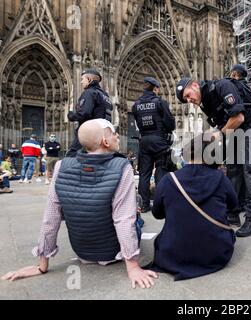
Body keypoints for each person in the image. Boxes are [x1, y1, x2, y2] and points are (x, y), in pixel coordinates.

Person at [1, 119, 158, 289]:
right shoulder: (122, 166)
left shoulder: (61, 165)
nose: (118, 135)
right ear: (105, 142)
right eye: (114, 133)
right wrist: (133, 267)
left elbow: (51, 216)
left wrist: (42, 265)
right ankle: (139, 218)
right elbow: (123, 219)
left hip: (82, 252)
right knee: (134, 219)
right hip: (113, 253)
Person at [176, 75, 251, 237]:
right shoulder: (206, 102)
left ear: (195, 85)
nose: (189, 100)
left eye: (188, 95)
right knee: (233, 170)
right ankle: (233, 213)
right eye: (185, 99)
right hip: (234, 131)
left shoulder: (222, 86)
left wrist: (217, 134)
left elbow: (238, 117)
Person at [150, 133, 236, 281]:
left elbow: (157, 214)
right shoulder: (221, 178)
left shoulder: (169, 180)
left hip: (173, 254)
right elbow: (234, 206)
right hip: (216, 253)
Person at [226, 64, 251, 230]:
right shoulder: (246, 90)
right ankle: (235, 213)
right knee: (237, 171)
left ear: (234, 74)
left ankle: (250, 219)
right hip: (243, 130)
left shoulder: (234, 87)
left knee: (248, 172)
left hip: (249, 129)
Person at [132, 76, 176, 213]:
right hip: (159, 140)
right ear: (155, 88)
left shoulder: (136, 105)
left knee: (144, 174)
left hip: (144, 141)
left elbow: (138, 123)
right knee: (161, 171)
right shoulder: (160, 102)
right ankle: (160, 205)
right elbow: (170, 123)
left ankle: (144, 205)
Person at [66, 69, 113, 157]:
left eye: (82, 79)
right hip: (103, 134)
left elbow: (84, 113)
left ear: (89, 79)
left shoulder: (89, 93)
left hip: (89, 133)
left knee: (71, 157)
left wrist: (71, 116)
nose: (81, 82)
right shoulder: (105, 96)